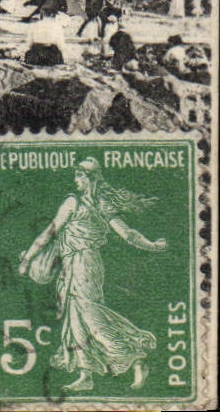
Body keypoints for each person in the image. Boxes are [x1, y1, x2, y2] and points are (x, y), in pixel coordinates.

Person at [16, 158, 163, 392]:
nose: (76, 180)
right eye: (76, 176)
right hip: (76, 264)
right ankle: (86, 374)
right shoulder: (99, 204)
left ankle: (135, 358)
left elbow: (49, 232)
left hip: (83, 264)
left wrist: (27, 259)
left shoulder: (75, 203)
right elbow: (128, 234)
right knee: (75, 318)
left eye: (79, 176)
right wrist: (151, 245)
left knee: (90, 315)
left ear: (90, 178)